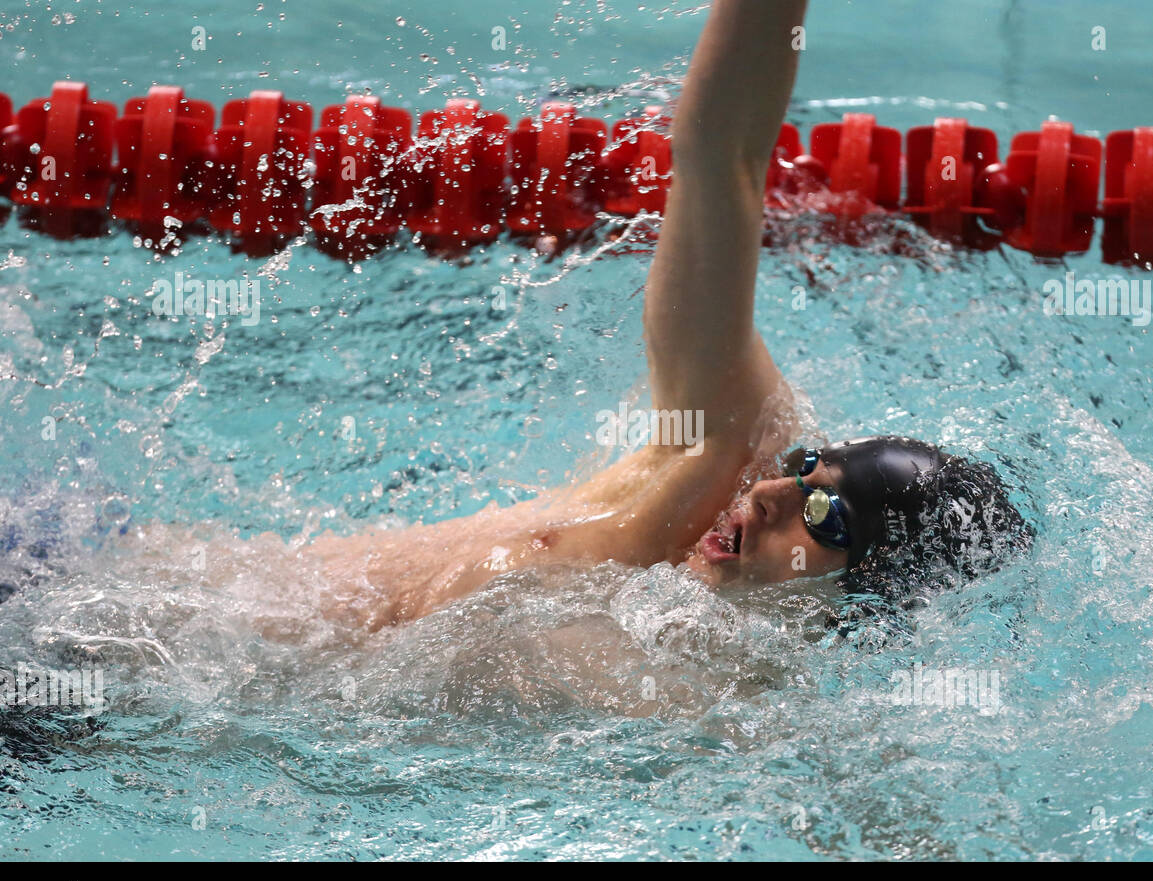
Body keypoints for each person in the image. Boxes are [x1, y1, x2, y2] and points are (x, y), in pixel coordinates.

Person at [303, 0, 1029, 632]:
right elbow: (725, 155)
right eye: (808, 469)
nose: (773, 491)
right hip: (255, 616)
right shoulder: (714, 459)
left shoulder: (740, 728)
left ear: (859, 605)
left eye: (824, 517)